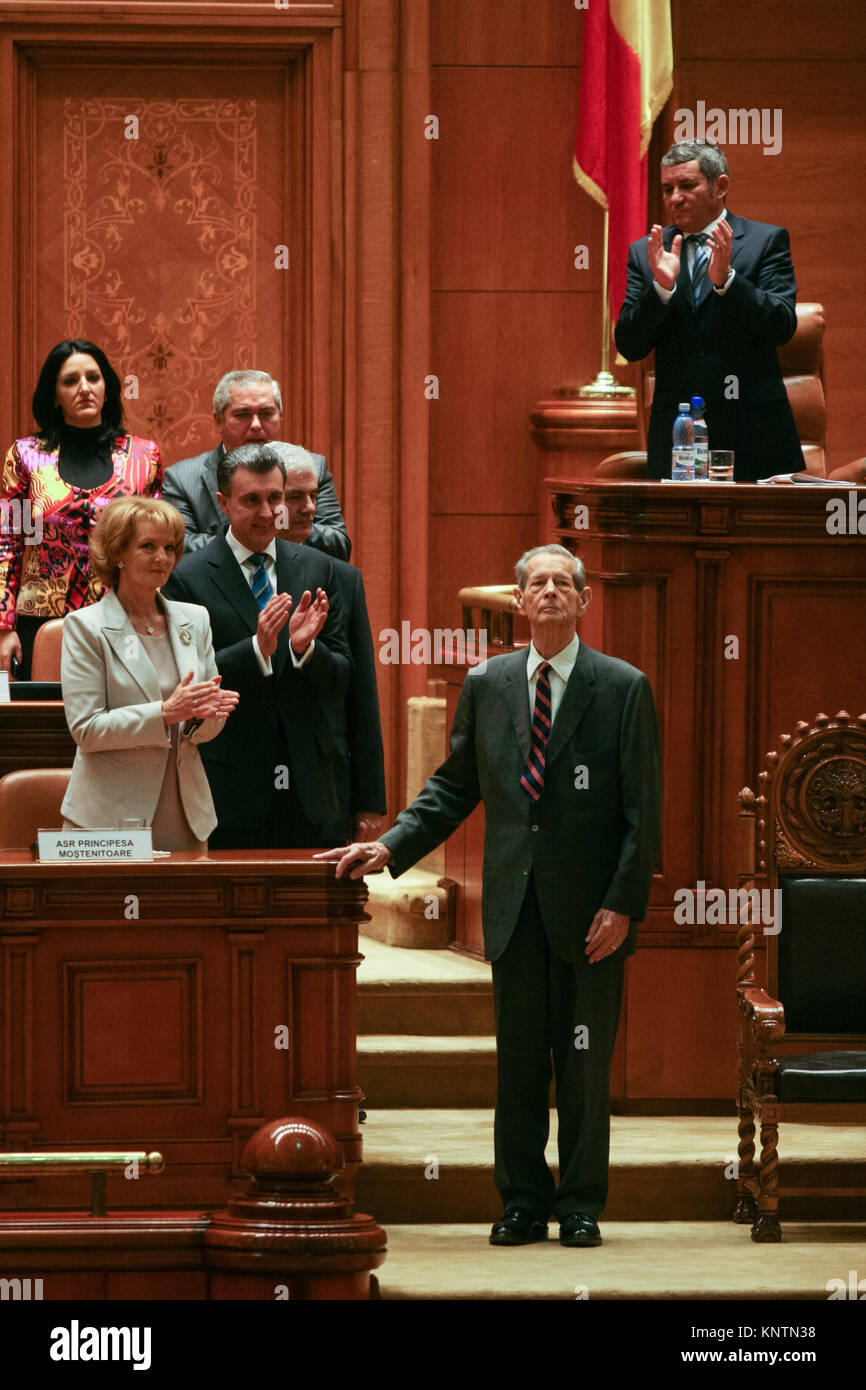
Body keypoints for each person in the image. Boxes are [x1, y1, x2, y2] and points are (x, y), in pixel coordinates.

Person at [317, 544, 661, 1248]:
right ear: (519, 600)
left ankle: (581, 1204)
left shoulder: (622, 687)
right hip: (514, 906)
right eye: (538, 583)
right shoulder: (490, 682)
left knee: (586, 1066)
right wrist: (391, 847)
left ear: (584, 601)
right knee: (521, 1064)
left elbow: (642, 812)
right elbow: (454, 785)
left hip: (593, 912)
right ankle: (523, 1201)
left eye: (565, 583)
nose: (551, 593)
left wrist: (623, 904)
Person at [161, 443, 353, 850]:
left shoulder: (317, 567)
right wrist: (256, 649)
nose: (268, 513)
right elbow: (185, 682)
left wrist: (305, 651)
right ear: (223, 503)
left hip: (310, 792)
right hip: (229, 789)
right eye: (251, 500)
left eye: (275, 499)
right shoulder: (186, 578)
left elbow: (345, 678)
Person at [614, 139, 805, 482]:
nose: (675, 197)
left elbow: (782, 326)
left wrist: (728, 282)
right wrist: (661, 289)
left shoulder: (765, 241)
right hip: (679, 437)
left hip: (755, 434)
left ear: (721, 186)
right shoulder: (646, 254)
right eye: (667, 188)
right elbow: (629, 345)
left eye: (687, 185)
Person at [60, 497, 239, 851]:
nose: (163, 558)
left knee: (184, 907)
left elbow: (203, 726)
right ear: (117, 554)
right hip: (109, 816)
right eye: (148, 546)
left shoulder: (195, 619)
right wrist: (164, 713)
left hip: (185, 810)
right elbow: (87, 730)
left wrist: (205, 717)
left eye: (170, 547)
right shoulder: (85, 627)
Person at [0, 340, 162, 678]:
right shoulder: (26, 456)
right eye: (70, 381)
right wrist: (3, 626)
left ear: (108, 388)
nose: (84, 388)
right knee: (42, 727)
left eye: (93, 378)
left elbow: (155, 548)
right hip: (39, 622)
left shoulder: (143, 459)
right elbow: (8, 543)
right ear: (55, 396)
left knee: (120, 724)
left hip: (123, 618)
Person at [273, 442, 386, 842]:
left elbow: (362, 694)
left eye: (313, 495)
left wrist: (369, 800)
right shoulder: (214, 572)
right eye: (293, 497)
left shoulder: (341, 577)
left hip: (323, 788)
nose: (309, 508)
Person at [163, 369, 350, 560]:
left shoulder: (313, 467)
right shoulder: (182, 478)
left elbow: (339, 545)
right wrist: (253, 537)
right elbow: (178, 548)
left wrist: (278, 527)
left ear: (280, 416)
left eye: (266, 413)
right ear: (219, 420)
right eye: (243, 415)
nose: (256, 424)